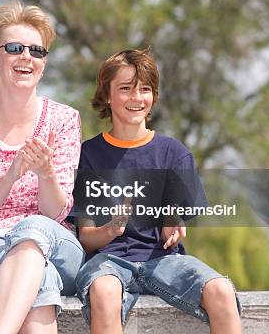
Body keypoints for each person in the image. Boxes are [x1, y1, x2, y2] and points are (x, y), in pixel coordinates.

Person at [74, 49, 242, 333]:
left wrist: (173, 224)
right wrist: (110, 230)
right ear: (106, 95)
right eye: (125, 89)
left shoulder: (174, 154)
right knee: (103, 291)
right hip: (108, 263)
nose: (136, 98)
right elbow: (86, 239)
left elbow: (175, 221)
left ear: (153, 96)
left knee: (222, 290)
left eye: (144, 89)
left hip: (164, 260)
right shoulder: (88, 155)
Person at [0, 1, 85, 334]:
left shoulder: (64, 120)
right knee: (40, 280)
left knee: (33, 230)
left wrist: (45, 173)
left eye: (36, 51)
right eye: (15, 48)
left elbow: (57, 213)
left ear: (43, 63)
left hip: (56, 242)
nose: (27, 56)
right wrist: (11, 176)